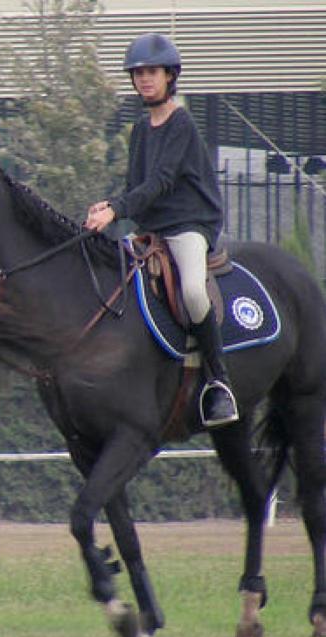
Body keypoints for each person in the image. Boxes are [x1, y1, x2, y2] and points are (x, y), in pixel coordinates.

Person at [85, 32, 238, 428]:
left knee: (192, 291)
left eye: (151, 72)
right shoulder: (140, 129)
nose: (144, 80)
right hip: (151, 229)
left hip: (188, 225)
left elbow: (162, 182)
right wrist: (109, 206)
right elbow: (136, 186)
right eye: (138, 74)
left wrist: (117, 210)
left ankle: (218, 382)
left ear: (170, 76)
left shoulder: (181, 123)